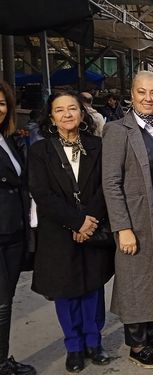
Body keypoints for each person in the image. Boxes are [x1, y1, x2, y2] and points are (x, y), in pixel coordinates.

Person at [102, 71, 153, 369]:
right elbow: (111, 184)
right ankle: (137, 344)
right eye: (142, 92)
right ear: (132, 93)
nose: (148, 99)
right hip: (136, 221)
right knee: (136, 282)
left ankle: (152, 334)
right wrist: (122, 227)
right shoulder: (117, 130)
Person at [29, 91, 114, 373]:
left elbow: (106, 185)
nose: (67, 114)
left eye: (72, 109)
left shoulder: (97, 145)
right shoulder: (40, 151)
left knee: (92, 288)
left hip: (93, 227)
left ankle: (94, 342)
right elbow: (42, 193)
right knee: (66, 293)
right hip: (59, 232)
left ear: (82, 113)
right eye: (60, 110)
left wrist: (90, 220)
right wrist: (76, 222)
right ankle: (74, 347)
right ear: (51, 117)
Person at [0, 81, 36, 375]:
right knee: (0, 303)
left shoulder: (7, 140)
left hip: (13, 230)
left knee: (6, 300)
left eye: (1, 103)